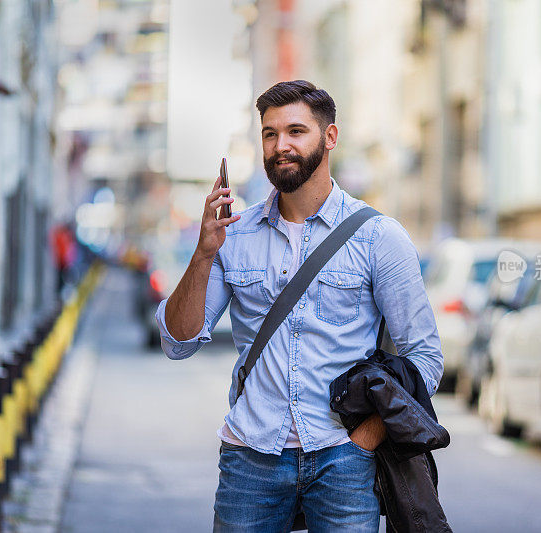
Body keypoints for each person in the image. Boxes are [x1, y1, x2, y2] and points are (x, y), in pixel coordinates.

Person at [157, 80, 443, 532]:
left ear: (329, 137)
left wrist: (364, 440)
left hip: (343, 459)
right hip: (250, 457)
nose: (280, 146)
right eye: (270, 134)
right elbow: (178, 342)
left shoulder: (378, 237)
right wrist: (204, 252)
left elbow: (425, 358)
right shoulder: (235, 235)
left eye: (295, 131)